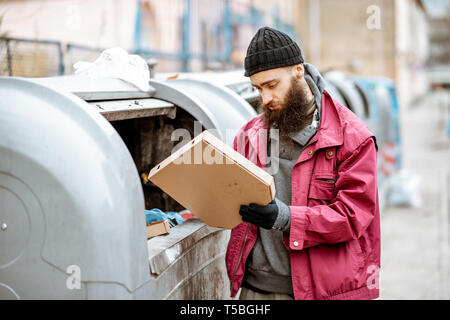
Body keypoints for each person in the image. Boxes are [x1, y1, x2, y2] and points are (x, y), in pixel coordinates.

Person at [225, 26, 381, 300]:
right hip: (254, 289)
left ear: (299, 70)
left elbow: (352, 217)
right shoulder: (250, 134)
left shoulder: (353, 138)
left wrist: (284, 217)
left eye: (272, 85)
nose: (265, 99)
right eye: (258, 88)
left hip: (318, 292)